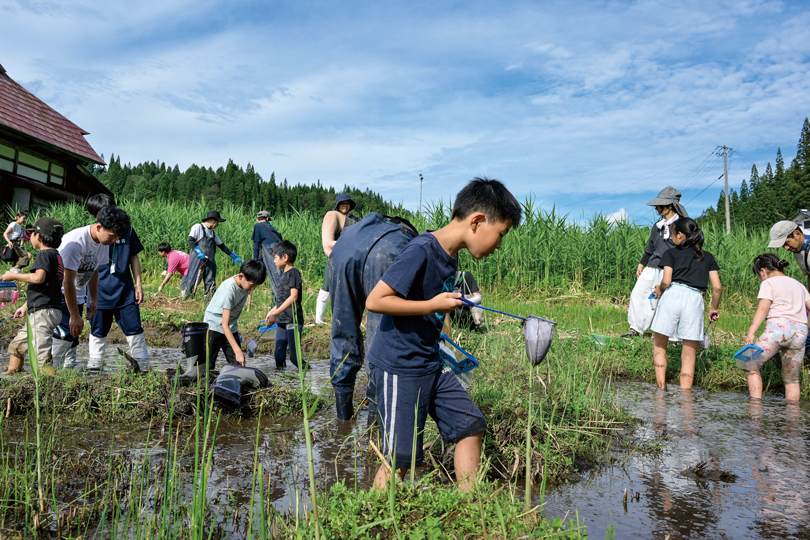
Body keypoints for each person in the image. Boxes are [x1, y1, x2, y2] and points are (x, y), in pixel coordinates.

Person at [365, 177, 522, 491]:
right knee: (400, 458)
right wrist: (430, 304)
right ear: (477, 221)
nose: (499, 245)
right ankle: (371, 520)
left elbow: (439, 309)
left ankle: (470, 507)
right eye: (500, 234)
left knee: (470, 425)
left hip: (430, 364)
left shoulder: (451, 256)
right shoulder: (421, 250)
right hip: (400, 366)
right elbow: (376, 300)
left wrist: (444, 338)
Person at [328, 212, 418, 421]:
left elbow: (332, 215)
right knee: (381, 336)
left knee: (343, 330)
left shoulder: (355, 226)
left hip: (342, 251)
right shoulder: (411, 239)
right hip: (387, 254)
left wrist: (327, 243)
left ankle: (343, 419)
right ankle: (374, 431)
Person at [52, 205, 131, 370]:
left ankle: (68, 370)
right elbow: (67, 281)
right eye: (112, 236)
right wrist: (74, 314)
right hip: (59, 295)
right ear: (99, 226)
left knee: (74, 335)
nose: (114, 241)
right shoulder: (76, 243)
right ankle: (52, 372)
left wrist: (93, 298)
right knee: (64, 334)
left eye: (117, 237)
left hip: (78, 295)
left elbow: (94, 269)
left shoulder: (103, 242)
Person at [650, 218, 721, 390]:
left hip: (672, 295)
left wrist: (659, 289)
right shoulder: (708, 257)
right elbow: (717, 287)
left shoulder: (670, 253)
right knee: (689, 356)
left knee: (660, 346)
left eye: (672, 234)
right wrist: (714, 308)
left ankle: (661, 391)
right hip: (695, 299)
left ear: (680, 235)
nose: (671, 238)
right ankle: (686, 400)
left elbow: (666, 280)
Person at [85, 194, 150, 372]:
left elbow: (134, 256)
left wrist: (138, 284)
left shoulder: (127, 230)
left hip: (125, 290)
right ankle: (95, 367)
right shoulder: (90, 234)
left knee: (135, 329)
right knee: (98, 331)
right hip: (98, 291)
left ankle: (142, 368)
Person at [743, 254, 810, 401]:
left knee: (749, 363)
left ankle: (755, 409)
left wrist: (751, 333)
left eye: (758, 275)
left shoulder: (768, 283)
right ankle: (792, 419)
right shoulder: (799, 284)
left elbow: (763, 309)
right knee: (792, 379)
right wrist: (807, 326)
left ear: (763, 271)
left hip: (778, 331)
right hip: (800, 334)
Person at [2, 217, 64, 374]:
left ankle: (51, 388)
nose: (30, 239)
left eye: (32, 235)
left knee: (40, 355)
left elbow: (38, 278)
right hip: (43, 309)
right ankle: (11, 377)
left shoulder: (44, 255)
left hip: (44, 312)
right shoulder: (56, 256)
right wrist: (25, 306)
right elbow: (44, 287)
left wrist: (13, 275)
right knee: (16, 347)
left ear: (40, 237)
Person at [623, 187, 688, 338]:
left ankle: (672, 337)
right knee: (638, 295)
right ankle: (635, 329)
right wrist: (641, 263)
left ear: (670, 206)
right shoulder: (657, 227)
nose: (657, 209)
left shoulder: (682, 227)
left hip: (670, 269)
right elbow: (650, 248)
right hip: (652, 267)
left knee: (668, 303)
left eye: (660, 206)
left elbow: (686, 250)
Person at [202, 259, 266, 373]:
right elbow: (224, 325)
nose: (253, 289)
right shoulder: (228, 290)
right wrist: (238, 351)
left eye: (255, 286)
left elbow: (228, 326)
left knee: (238, 366)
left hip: (230, 327)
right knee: (207, 366)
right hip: (214, 326)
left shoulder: (245, 281)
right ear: (241, 276)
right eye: (252, 285)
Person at [316, 193, 359, 324]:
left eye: (347, 203)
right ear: (338, 205)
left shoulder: (356, 220)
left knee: (350, 288)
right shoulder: (332, 218)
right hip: (334, 256)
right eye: (342, 203)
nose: (345, 205)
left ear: (350, 206)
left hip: (351, 257)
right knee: (326, 286)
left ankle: (345, 319)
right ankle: (319, 319)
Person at [265, 241, 307, 370]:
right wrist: (272, 311)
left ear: (285, 257)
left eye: (275, 257)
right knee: (278, 356)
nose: (274, 261)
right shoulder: (283, 275)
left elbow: (293, 297)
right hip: (282, 321)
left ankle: (309, 376)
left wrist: (275, 313)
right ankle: (281, 383)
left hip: (292, 320)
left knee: (295, 358)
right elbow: (282, 300)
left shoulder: (294, 273)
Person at [185, 211, 242, 297]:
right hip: (198, 259)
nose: (218, 224)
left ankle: (209, 299)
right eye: (218, 222)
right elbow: (190, 241)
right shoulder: (198, 227)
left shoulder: (213, 233)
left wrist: (233, 256)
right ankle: (186, 297)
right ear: (212, 220)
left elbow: (222, 246)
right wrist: (199, 252)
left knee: (210, 280)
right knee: (193, 278)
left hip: (210, 261)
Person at [251, 210, 284, 301]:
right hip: (282, 252)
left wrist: (255, 260)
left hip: (273, 253)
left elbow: (256, 245)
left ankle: (278, 305)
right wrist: (259, 260)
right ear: (267, 219)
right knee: (280, 279)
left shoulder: (257, 226)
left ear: (257, 219)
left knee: (275, 280)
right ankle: (278, 304)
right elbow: (265, 251)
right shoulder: (271, 228)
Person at [767, 221, 810, 289]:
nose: (786, 248)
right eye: (783, 245)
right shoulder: (798, 250)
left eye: (787, 243)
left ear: (797, 234)